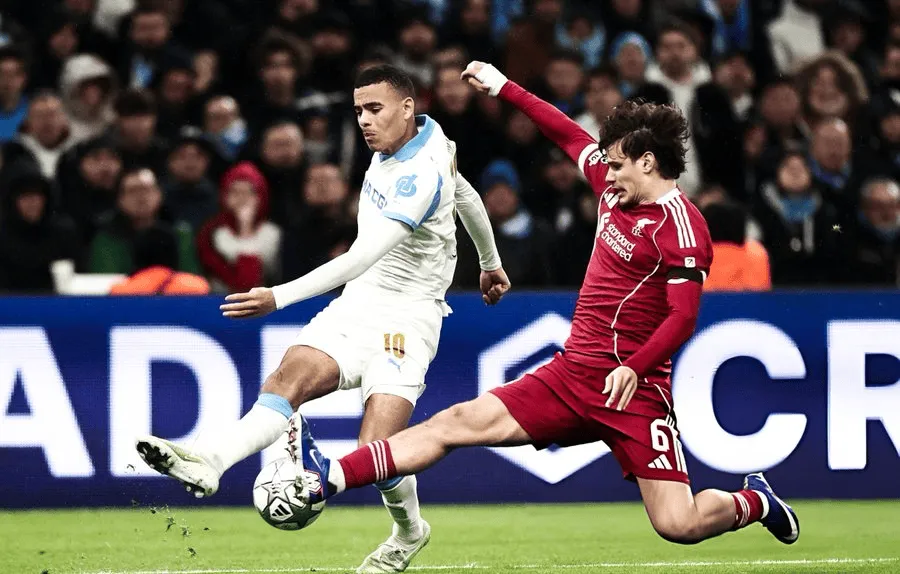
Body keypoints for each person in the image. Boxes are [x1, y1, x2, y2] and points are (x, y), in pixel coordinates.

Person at [289, 61, 801, 551]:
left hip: (635, 394)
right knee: (454, 423)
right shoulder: (614, 189)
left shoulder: (683, 228)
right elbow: (566, 133)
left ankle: (753, 501)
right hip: (571, 377)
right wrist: (503, 86)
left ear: (647, 162)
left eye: (616, 165)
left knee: (678, 524)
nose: (606, 175)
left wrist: (634, 367)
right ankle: (326, 478)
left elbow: (683, 317)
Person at [134, 64, 510, 573]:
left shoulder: (418, 176)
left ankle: (409, 532)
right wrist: (490, 262)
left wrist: (278, 296)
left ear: (406, 108)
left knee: (377, 454)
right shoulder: (429, 137)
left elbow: (359, 257)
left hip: (408, 320)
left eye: (374, 109)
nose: (364, 121)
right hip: (358, 304)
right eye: (358, 111)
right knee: (286, 381)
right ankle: (209, 463)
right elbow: (463, 192)